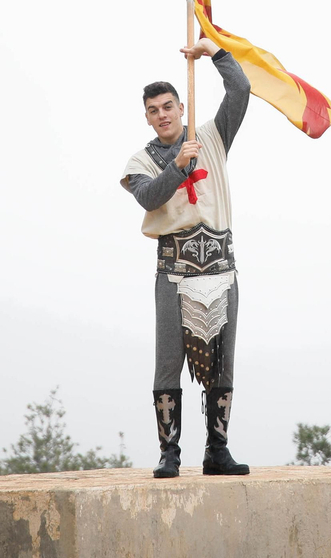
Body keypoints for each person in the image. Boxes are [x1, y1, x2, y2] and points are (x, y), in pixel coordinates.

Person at [121, 37, 251, 478]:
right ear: (147, 116)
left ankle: (217, 449)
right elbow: (148, 199)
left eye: (168, 106)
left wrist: (215, 53)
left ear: (180, 107)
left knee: (223, 359)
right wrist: (177, 166)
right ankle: (169, 453)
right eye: (154, 109)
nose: (162, 115)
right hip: (174, 271)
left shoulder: (211, 137)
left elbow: (240, 91)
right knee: (167, 360)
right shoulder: (140, 160)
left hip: (220, 265)